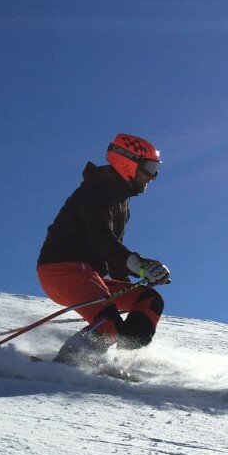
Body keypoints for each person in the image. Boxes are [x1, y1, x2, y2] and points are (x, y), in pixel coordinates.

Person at [36, 133, 170, 367]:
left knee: (148, 300)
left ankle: (120, 363)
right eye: (149, 167)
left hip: (90, 275)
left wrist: (139, 277)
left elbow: (111, 252)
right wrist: (140, 266)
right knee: (108, 324)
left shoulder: (121, 203)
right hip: (62, 270)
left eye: (156, 168)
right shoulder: (98, 190)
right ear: (127, 161)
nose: (152, 176)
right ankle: (64, 366)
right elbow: (101, 237)